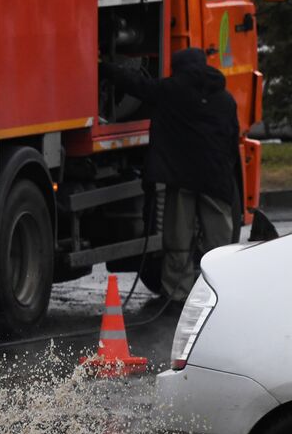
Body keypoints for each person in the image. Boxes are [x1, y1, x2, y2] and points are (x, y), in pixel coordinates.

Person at [100, 47, 242, 301]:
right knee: (220, 244)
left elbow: (138, 85)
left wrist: (106, 67)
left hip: (182, 178)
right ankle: (224, 294)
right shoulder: (225, 99)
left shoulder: (170, 91)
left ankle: (178, 294)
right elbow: (233, 139)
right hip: (216, 179)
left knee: (177, 239)